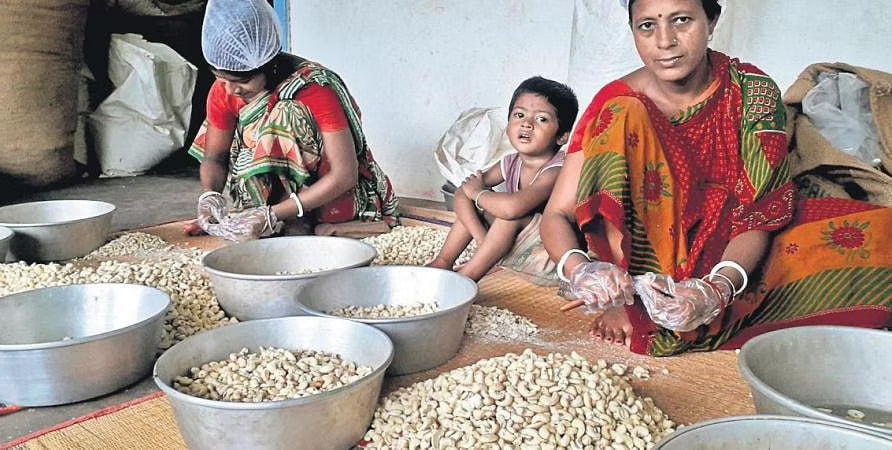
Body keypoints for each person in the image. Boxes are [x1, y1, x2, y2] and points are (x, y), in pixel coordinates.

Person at [541, 0, 891, 356]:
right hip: (643, 263)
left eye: (681, 21)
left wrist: (719, 287)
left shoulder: (752, 91)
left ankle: (707, 303)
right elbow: (558, 214)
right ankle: (632, 305)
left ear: (712, 20)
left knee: (880, 235)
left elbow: (760, 213)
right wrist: (581, 270)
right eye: (647, 26)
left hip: (734, 245)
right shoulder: (614, 102)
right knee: (624, 113)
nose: (665, 41)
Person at [184, 0, 399, 242]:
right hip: (269, 203)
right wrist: (211, 197)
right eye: (221, 78)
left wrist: (272, 215)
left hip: (328, 195)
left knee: (285, 113)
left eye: (242, 81)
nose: (231, 89)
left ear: (269, 66)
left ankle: (297, 219)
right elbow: (215, 157)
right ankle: (267, 214)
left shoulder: (314, 89)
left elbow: (344, 174)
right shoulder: (225, 89)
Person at [428, 76, 579, 282]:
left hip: (552, 259)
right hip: (516, 249)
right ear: (508, 127)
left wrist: (478, 193)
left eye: (541, 119)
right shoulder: (509, 162)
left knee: (506, 214)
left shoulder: (558, 169)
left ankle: (466, 279)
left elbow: (512, 209)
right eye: (519, 115)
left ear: (562, 137)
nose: (527, 124)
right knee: (478, 203)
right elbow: (462, 194)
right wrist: (483, 239)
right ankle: (443, 262)